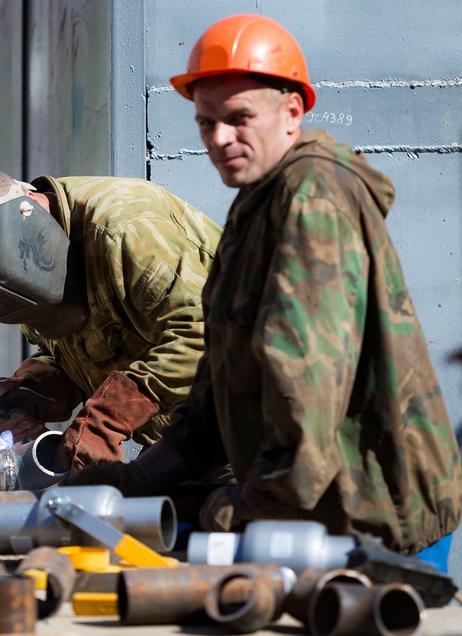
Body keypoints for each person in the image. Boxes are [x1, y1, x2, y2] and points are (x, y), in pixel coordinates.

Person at [62, 13, 462, 566]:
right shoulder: (255, 207)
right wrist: (142, 476)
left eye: (239, 118)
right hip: (314, 507)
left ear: (293, 111)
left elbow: (306, 374)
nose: (220, 139)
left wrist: (257, 501)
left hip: (369, 518)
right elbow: (221, 380)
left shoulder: (313, 197)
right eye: (206, 123)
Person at [0, 168, 222, 473]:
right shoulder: (20, 261)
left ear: (29, 205)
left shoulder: (126, 228)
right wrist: (35, 390)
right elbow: (81, 349)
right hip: (190, 447)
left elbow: (204, 333)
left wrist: (108, 418)